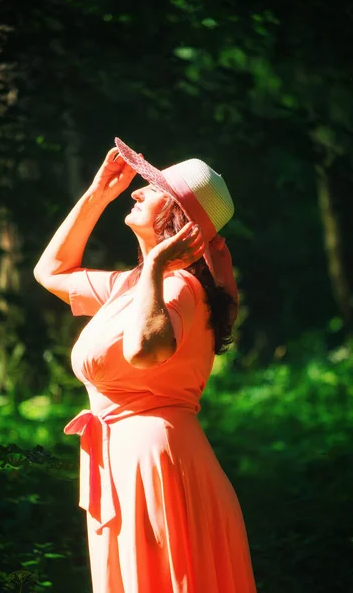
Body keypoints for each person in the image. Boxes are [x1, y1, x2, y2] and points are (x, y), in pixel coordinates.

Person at [33, 137, 257, 593]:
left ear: (177, 222)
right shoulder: (134, 287)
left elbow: (147, 351)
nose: (136, 190)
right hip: (136, 463)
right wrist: (97, 195)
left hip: (157, 468)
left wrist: (156, 266)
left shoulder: (177, 290)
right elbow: (50, 272)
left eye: (150, 188)